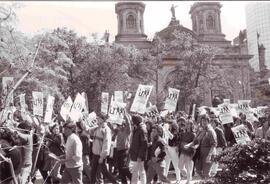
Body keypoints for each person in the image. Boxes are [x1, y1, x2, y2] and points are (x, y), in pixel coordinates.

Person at [84, 114, 118, 184]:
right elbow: (87, 130)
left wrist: (102, 157)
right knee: (93, 172)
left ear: (102, 119)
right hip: (95, 155)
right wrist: (81, 121)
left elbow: (106, 144)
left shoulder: (106, 130)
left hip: (100, 156)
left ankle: (115, 183)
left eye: (98, 118)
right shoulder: (97, 128)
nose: (96, 119)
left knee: (105, 173)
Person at [194, 114, 217, 179]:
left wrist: (209, 155)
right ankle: (205, 181)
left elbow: (214, 145)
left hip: (209, 153)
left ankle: (209, 181)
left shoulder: (211, 131)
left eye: (205, 121)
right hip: (201, 153)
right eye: (202, 121)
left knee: (206, 173)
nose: (204, 122)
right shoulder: (201, 130)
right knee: (198, 170)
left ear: (208, 121)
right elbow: (196, 140)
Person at [129, 114, 148, 184]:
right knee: (136, 171)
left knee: (140, 172)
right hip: (135, 154)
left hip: (138, 155)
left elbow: (144, 144)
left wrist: (140, 156)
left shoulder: (141, 130)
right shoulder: (136, 129)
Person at [115, 111, 132, 184]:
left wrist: (125, 115)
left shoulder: (127, 131)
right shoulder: (118, 131)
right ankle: (124, 182)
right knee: (120, 168)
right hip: (118, 151)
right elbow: (110, 125)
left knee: (123, 168)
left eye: (121, 125)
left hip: (124, 151)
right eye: (119, 125)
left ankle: (132, 178)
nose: (119, 126)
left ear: (124, 125)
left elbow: (129, 124)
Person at [178, 119, 196, 184]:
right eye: (186, 124)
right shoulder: (184, 133)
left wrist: (188, 145)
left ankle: (188, 181)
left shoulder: (193, 134)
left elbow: (194, 143)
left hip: (189, 152)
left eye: (189, 124)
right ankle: (188, 175)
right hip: (183, 151)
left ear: (191, 125)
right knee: (180, 166)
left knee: (188, 167)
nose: (187, 125)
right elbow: (181, 141)